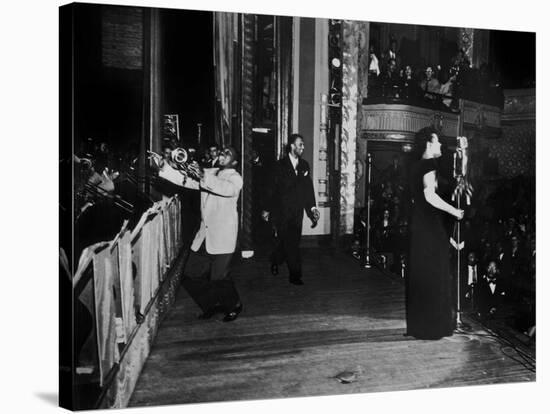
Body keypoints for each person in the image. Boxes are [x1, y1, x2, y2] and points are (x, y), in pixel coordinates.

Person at [156, 146, 244, 322]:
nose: (221, 154)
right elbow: (185, 181)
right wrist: (164, 167)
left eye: (227, 153)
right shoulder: (211, 172)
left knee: (219, 277)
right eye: (221, 152)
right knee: (189, 274)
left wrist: (203, 175)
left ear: (234, 161)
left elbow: (226, 190)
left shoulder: (235, 178)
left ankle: (234, 304)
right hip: (204, 235)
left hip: (223, 236)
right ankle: (211, 304)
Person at [406, 127, 464, 339]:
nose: (441, 145)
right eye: (438, 142)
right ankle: (434, 328)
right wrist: (454, 210)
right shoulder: (429, 165)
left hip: (420, 227)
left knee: (424, 276)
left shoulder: (415, 166)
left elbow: (420, 201)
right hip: (430, 228)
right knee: (435, 276)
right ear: (429, 144)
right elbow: (430, 196)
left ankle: (421, 326)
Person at [262, 134, 320, 285]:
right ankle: (295, 275)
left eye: (303, 144)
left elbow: (308, 189)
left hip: (297, 212)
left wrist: (312, 209)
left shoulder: (304, 166)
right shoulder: (279, 165)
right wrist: (267, 209)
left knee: (289, 242)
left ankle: (275, 259)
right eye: (300, 144)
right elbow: (271, 189)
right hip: (281, 212)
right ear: (292, 146)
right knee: (291, 243)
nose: (303, 147)